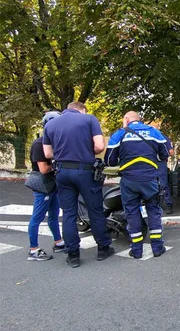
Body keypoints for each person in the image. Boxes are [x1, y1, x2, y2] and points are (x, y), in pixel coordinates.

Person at [43, 101, 114, 268]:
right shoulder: (89, 119)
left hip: (62, 172)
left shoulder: (51, 124)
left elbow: (47, 153)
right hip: (85, 172)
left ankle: (73, 255)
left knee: (68, 213)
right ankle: (103, 248)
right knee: (95, 210)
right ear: (82, 110)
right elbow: (99, 146)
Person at [104, 111, 170, 259]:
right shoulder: (154, 132)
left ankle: (137, 250)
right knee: (153, 210)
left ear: (127, 119)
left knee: (132, 212)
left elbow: (109, 160)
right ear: (139, 120)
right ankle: (157, 247)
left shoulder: (119, 134)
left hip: (129, 181)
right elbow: (165, 154)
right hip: (150, 179)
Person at [27, 111, 65, 261]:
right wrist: (59, 164)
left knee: (54, 215)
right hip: (43, 185)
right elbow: (43, 169)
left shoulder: (52, 143)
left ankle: (59, 242)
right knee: (37, 217)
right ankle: (33, 249)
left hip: (52, 184)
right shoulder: (39, 144)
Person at [159, 134, 174, 214]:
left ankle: (168, 204)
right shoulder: (163, 137)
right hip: (158, 162)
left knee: (163, 184)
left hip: (159, 162)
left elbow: (171, 152)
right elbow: (171, 152)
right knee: (162, 184)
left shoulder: (163, 138)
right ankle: (167, 205)